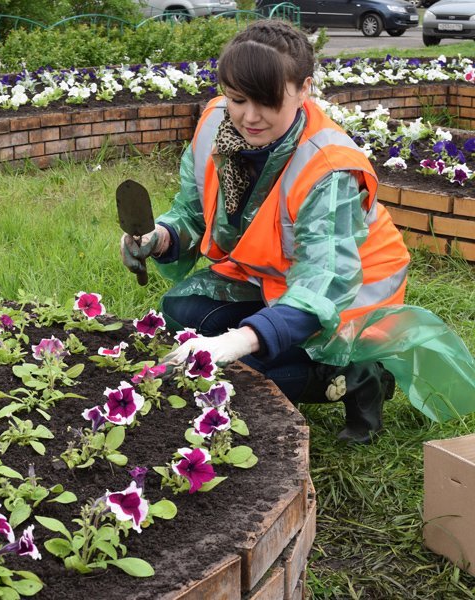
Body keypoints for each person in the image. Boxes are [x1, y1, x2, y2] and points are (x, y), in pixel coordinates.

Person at [120, 20, 475, 443]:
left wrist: (239, 341)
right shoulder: (216, 124)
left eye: (268, 102)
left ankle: (359, 375)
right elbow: (194, 212)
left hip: (349, 293)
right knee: (184, 313)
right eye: (237, 98)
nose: (250, 116)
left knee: (247, 372)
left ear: (304, 88)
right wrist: (159, 236)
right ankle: (274, 350)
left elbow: (325, 281)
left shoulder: (327, 166)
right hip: (275, 276)